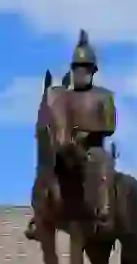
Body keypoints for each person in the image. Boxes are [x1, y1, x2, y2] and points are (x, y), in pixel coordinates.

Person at [25, 30, 118, 239]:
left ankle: (105, 214)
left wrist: (88, 133)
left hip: (92, 147)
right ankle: (40, 215)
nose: (80, 73)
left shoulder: (104, 96)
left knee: (103, 166)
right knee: (47, 167)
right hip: (68, 145)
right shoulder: (64, 97)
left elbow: (110, 125)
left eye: (84, 68)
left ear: (92, 71)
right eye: (77, 68)